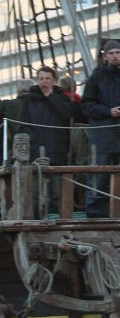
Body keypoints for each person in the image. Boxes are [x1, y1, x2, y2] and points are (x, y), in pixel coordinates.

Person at [81, 39, 120, 218]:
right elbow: (86, 105)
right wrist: (107, 111)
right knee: (98, 177)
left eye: (117, 52)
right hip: (102, 138)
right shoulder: (96, 78)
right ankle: (96, 215)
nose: (115, 56)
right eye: (111, 53)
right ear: (105, 56)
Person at [19, 66, 76, 215]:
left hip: (56, 149)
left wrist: (51, 96)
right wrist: (33, 138)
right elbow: (23, 124)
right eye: (41, 78)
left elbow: (67, 114)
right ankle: (36, 220)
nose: (44, 82)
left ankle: (55, 218)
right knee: (36, 193)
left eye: (48, 79)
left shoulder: (61, 97)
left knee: (56, 192)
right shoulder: (29, 100)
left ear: (54, 81)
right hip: (36, 150)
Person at [0, 78, 33, 162]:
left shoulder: (7, 105)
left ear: (18, 90)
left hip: (13, 151)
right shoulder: (40, 106)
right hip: (35, 150)